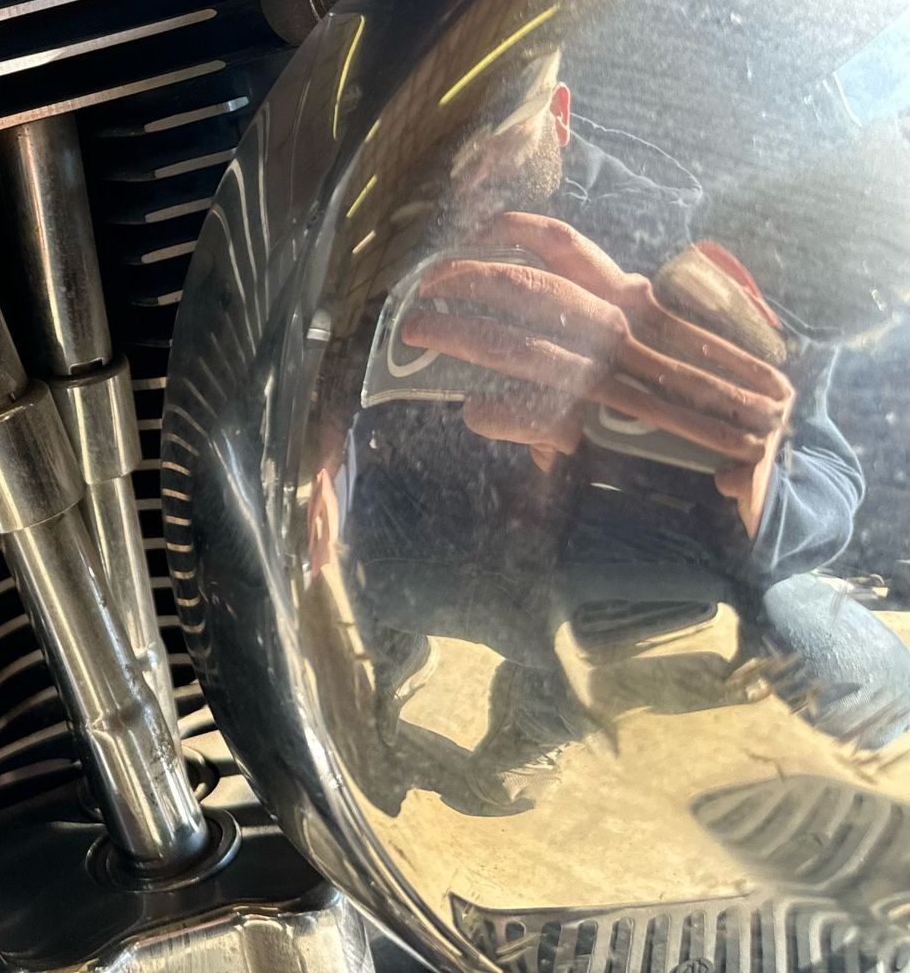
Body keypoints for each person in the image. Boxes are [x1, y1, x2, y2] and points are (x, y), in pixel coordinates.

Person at [325, 50, 908, 815]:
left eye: (498, 133)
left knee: (855, 675)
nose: (466, 174)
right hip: (399, 533)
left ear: (559, 115)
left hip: (582, 560)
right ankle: (386, 656)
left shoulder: (681, 249)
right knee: (297, 549)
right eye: (435, 147)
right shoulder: (358, 220)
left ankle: (535, 719)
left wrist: (745, 484)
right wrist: (319, 427)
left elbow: (826, 474)